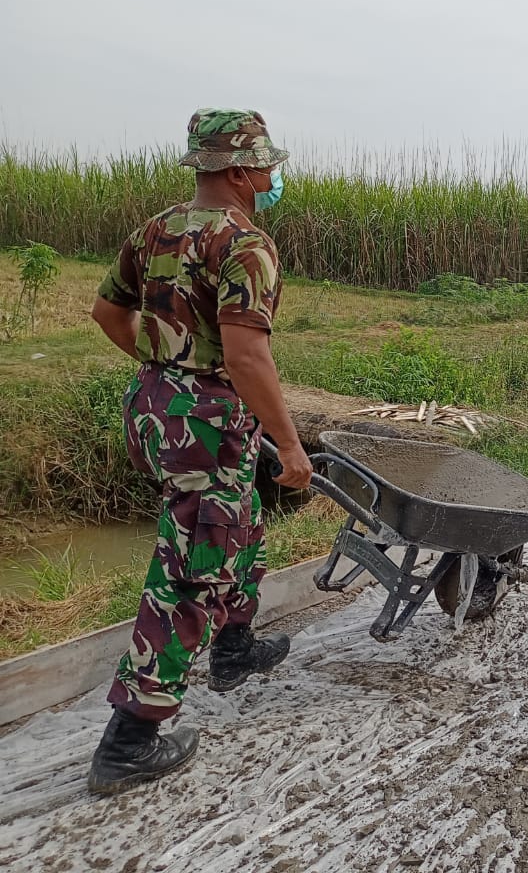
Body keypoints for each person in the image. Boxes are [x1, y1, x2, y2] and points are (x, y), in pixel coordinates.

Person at [87, 109, 313, 795]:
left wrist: (166, 375)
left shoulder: (156, 228)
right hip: (208, 421)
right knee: (191, 564)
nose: (273, 177)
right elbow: (247, 356)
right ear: (240, 170)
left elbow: (107, 315)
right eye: (267, 166)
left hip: (156, 408)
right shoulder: (246, 244)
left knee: (235, 520)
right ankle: (131, 740)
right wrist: (291, 445)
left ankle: (235, 649)